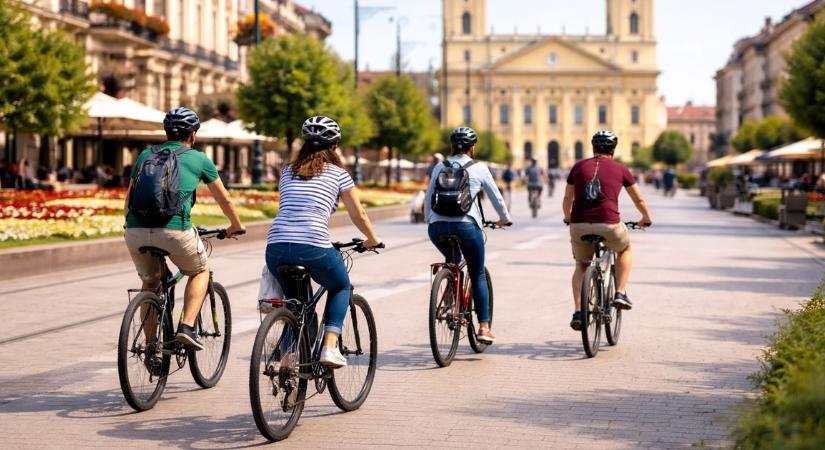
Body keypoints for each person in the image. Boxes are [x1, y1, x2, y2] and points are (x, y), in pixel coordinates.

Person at [265, 116, 383, 368]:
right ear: (334, 146)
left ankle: (286, 363)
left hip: (275, 247)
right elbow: (358, 214)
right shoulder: (339, 174)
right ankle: (329, 346)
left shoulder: (287, 172)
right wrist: (372, 239)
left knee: (299, 307)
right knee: (341, 286)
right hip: (313, 245)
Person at [124, 107, 246, 350]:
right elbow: (225, 200)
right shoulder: (199, 159)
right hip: (175, 231)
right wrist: (236, 225)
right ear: (193, 135)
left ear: (166, 132)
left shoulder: (145, 155)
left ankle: (150, 347)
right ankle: (187, 327)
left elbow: (128, 201)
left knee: (150, 283)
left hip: (135, 230)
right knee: (199, 271)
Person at [425, 127, 512, 344]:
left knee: (452, 259)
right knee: (477, 273)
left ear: (451, 147)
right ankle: (483, 327)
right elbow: (496, 197)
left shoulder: (439, 167)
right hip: (466, 227)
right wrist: (505, 218)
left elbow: (428, 199)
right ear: (472, 148)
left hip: (437, 228)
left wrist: (431, 220)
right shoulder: (479, 168)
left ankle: (448, 297)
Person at [562, 130, 653, 330]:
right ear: (613, 150)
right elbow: (638, 199)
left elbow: (567, 199)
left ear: (593, 148)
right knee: (625, 249)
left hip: (579, 224)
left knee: (581, 265)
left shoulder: (578, 167)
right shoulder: (621, 169)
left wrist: (568, 217)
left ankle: (579, 311)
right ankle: (620, 292)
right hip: (609, 224)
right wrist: (646, 218)